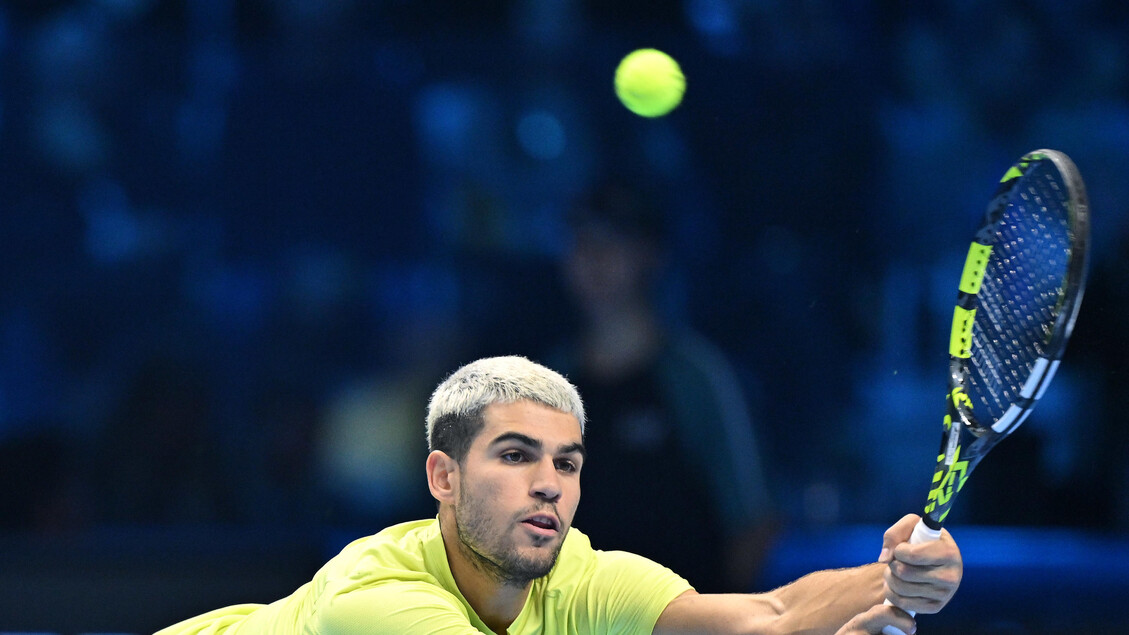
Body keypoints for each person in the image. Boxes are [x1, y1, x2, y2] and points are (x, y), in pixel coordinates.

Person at [156, 356, 962, 635]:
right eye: (514, 455)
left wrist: (904, 576)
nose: (549, 482)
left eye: (568, 463)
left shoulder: (573, 577)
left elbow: (774, 615)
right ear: (443, 477)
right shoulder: (376, 598)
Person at [549, 180, 776, 592]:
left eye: (614, 241)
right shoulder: (547, 384)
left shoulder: (696, 377)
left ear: (650, 256)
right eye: (582, 242)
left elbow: (753, 520)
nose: (595, 258)